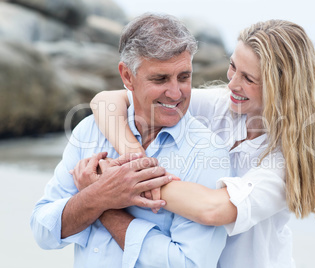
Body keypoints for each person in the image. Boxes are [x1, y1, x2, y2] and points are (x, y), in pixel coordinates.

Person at [88, 19, 315, 267]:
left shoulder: (288, 159)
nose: (232, 83)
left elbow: (212, 209)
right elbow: (106, 101)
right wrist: (135, 160)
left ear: (281, 87)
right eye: (233, 67)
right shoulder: (223, 106)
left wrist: (122, 182)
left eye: (248, 79)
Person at [30, 13, 230, 268]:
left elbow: (189, 264)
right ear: (127, 76)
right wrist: (98, 197)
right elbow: (42, 231)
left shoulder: (208, 152)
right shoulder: (89, 131)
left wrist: (102, 201)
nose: (175, 92)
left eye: (184, 77)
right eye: (160, 79)